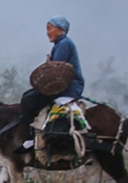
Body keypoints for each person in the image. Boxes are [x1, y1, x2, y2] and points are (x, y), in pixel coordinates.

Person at [17, 15, 86, 148]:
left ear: (60, 29)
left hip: (67, 88)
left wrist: (50, 64)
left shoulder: (64, 44)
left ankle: (30, 138)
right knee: (28, 96)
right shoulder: (61, 44)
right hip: (63, 86)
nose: (47, 32)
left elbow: (56, 70)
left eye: (49, 28)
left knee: (27, 100)